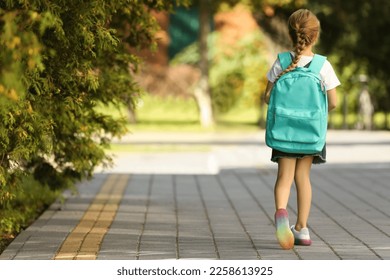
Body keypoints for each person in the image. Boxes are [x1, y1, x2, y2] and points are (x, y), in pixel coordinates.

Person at [263, 9, 340, 250]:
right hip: (310, 133)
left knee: (284, 178)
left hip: (284, 132)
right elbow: (334, 101)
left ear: (291, 34)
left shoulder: (282, 61)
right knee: (303, 178)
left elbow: (267, 97)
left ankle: (281, 214)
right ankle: (302, 228)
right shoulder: (322, 65)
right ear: (315, 36)